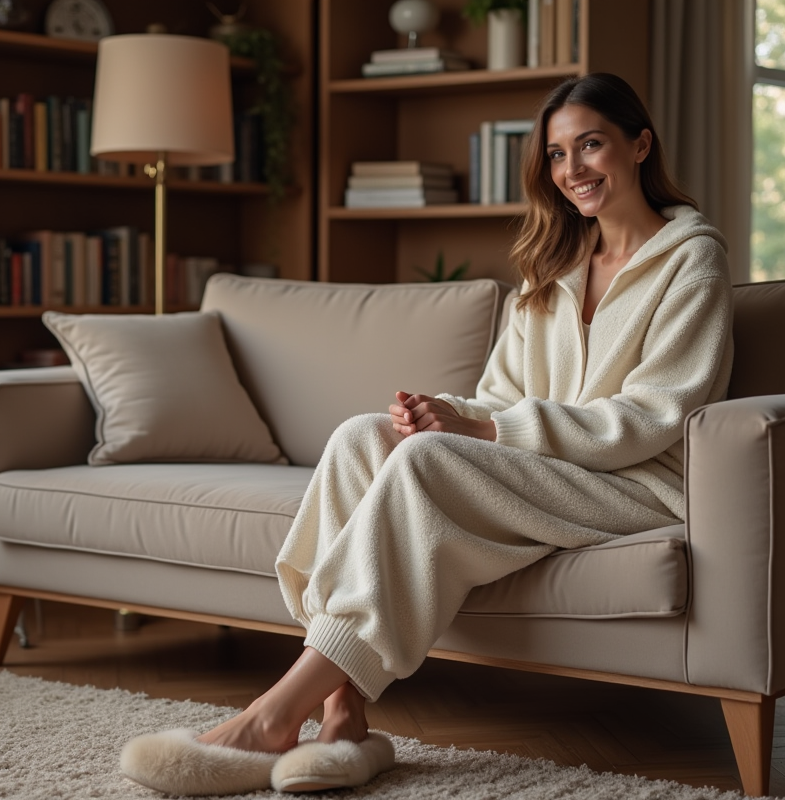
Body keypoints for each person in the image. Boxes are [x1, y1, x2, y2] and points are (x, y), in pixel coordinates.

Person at [120, 72, 734, 796]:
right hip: (553, 473)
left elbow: (655, 414)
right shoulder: (552, 269)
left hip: (637, 485)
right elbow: (501, 396)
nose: (573, 171)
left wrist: (478, 427)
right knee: (361, 437)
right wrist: (437, 409)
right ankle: (343, 713)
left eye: (590, 145)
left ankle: (269, 718)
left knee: (427, 461)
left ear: (639, 144)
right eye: (558, 155)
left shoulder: (692, 258)